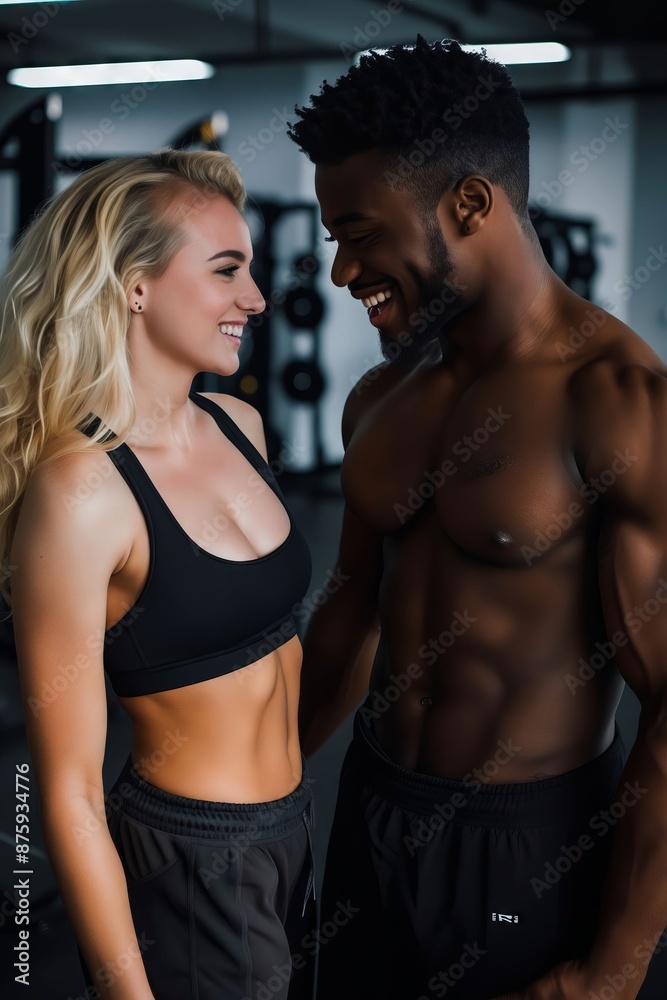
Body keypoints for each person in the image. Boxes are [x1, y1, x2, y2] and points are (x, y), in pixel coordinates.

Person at [286, 36, 667, 1000]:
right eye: (333, 240)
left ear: (467, 204)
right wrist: (252, 791)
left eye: (360, 234)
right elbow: (347, 615)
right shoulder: (379, 397)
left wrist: (615, 969)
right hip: (371, 808)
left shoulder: (618, 402)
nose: (342, 272)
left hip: (527, 845)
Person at [1, 148, 316, 1000]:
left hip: (292, 830)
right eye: (226, 270)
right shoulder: (81, 490)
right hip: (194, 859)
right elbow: (66, 795)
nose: (256, 298)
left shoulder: (239, 423)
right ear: (135, 286)